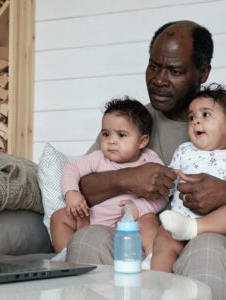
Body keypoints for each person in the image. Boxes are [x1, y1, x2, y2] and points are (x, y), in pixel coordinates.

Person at [66, 20, 226, 299]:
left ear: (202, 73)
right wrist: (127, 179)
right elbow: (83, 187)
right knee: (88, 237)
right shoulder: (131, 122)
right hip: (145, 240)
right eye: (154, 66)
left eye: (174, 70)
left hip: (207, 239)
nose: (159, 79)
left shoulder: (224, 121)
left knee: (207, 246)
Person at [50, 98, 167, 260]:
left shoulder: (150, 161)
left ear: (142, 141)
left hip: (130, 223)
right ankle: (66, 253)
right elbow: (72, 169)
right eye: (106, 134)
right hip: (91, 218)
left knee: (149, 221)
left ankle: (150, 258)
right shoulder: (98, 158)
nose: (111, 141)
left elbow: (163, 195)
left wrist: (139, 208)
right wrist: (71, 192)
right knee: (59, 217)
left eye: (121, 135)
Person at [151, 83, 226, 272]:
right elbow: (168, 183)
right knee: (162, 241)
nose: (195, 121)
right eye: (191, 117)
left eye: (205, 114)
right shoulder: (184, 151)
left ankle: (193, 228)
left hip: (214, 227)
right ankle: (160, 285)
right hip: (178, 220)